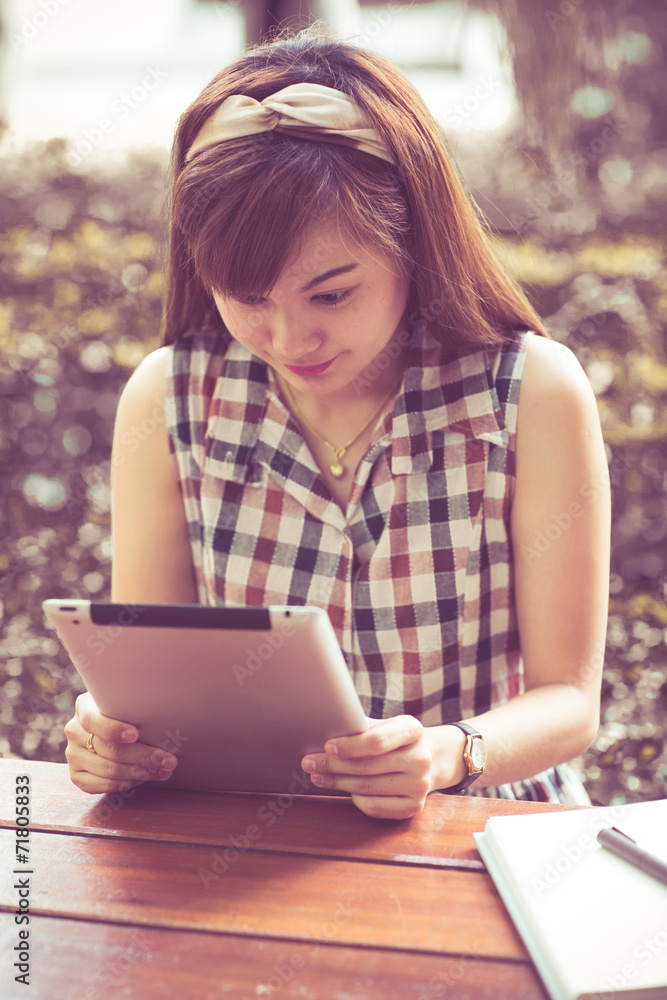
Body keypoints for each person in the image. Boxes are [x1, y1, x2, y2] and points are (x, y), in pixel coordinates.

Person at [64, 28, 611, 820]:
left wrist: (447, 752)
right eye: (249, 299)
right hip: (248, 834)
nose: (289, 341)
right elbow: (151, 688)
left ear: (414, 244)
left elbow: (568, 699)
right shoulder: (172, 399)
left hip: (482, 828)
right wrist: (111, 737)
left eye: (330, 294)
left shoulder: (528, 392)